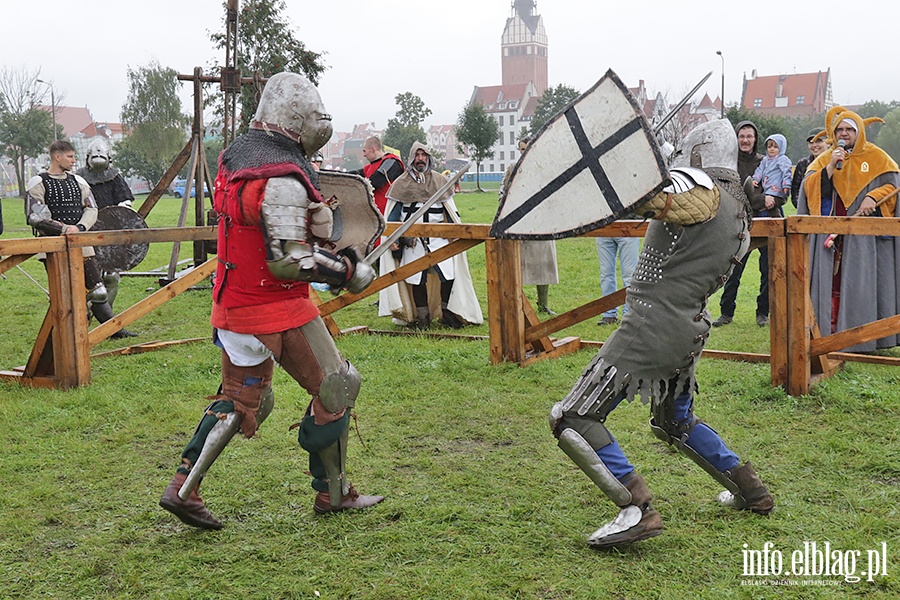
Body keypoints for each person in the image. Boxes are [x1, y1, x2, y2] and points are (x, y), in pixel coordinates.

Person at [159, 72, 383, 530]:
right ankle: (333, 493)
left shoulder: (236, 157)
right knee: (337, 385)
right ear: (299, 121)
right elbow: (288, 260)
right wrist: (346, 272)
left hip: (234, 304)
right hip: (277, 306)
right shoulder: (281, 176)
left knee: (242, 402)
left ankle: (183, 488)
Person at [549, 119, 773, 549]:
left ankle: (636, 509)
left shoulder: (704, 192)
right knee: (675, 421)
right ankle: (751, 490)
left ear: (698, 154)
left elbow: (655, 201)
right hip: (686, 327)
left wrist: (612, 173)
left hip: (652, 325)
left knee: (572, 417)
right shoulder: (740, 204)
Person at [797, 109, 900, 352]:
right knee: (831, 279)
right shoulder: (826, 159)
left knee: (860, 280)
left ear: (859, 132)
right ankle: (828, 332)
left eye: (849, 130)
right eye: (840, 130)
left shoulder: (878, 158)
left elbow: (893, 186)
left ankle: (862, 336)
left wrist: (873, 197)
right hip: (831, 231)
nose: (844, 134)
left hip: (864, 236)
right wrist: (831, 166)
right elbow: (809, 188)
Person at [25, 140, 134, 339]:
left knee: (98, 291)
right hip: (53, 246)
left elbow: (91, 208)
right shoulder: (38, 182)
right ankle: (68, 336)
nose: (74, 161)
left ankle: (113, 330)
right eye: (70, 156)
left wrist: (80, 227)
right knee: (64, 295)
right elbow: (35, 217)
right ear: (58, 157)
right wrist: (64, 228)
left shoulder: (79, 182)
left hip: (82, 244)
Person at [379, 142, 483, 330]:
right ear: (411, 159)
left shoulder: (440, 181)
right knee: (416, 278)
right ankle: (423, 317)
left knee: (448, 275)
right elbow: (393, 216)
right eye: (417, 155)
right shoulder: (401, 183)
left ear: (429, 158)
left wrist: (453, 233)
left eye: (423, 155)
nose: (420, 159)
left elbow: (450, 212)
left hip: (439, 237)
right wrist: (393, 239)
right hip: (412, 240)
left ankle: (447, 313)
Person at [712, 120, 779, 328]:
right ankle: (726, 312)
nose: (745, 140)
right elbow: (729, 191)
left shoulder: (767, 161)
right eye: (741, 136)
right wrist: (757, 197)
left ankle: (763, 312)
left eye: (749, 136)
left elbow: (777, 192)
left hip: (767, 219)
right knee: (733, 268)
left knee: (768, 270)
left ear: (755, 139)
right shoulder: (729, 163)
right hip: (739, 220)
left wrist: (760, 199)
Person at [75, 138, 138, 337]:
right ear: (87, 158)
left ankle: (107, 323)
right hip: (86, 231)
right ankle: (81, 319)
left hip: (110, 231)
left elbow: (124, 198)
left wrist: (124, 206)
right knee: (85, 280)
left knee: (111, 278)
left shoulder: (114, 176)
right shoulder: (78, 178)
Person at [501, 136, 559, 315]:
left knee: (545, 263)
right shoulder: (513, 169)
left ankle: (543, 304)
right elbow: (504, 193)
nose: (523, 152)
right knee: (520, 264)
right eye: (521, 149)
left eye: (527, 148)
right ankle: (519, 303)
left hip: (542, 222)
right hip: (521, 223)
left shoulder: (545, 167)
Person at [352, 136, 404, 215]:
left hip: (388, 213)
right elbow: (354, 175)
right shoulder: (369, 167)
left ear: (372, 149)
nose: (364, 155)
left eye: (364, 151)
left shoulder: (392, 162)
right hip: (374, 213)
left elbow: (375, 181)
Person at [596, 235, 638, 326]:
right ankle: (608, 313)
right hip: (604, 230)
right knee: (606, 273)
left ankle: (628, 313)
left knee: (630, 274)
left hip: (628, 229)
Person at [790, 127, 828, 208]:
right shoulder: (802, 164)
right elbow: (795, 191)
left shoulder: (835, 163)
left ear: (828, 142)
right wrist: (804, 208)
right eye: (811, 142)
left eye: (818, 141)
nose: (814, 145)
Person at [752, 134, 792, 209]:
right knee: (768, 203)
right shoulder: (765, 160)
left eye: (775, 147)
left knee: (773, 205)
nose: (772, 149)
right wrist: (755, 179)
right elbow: (759, 170)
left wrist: (786, 185)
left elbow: (786, 172)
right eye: (769, 147)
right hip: (767, 189)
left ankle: (776, 217)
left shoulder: (782, 159)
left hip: (777, 189)